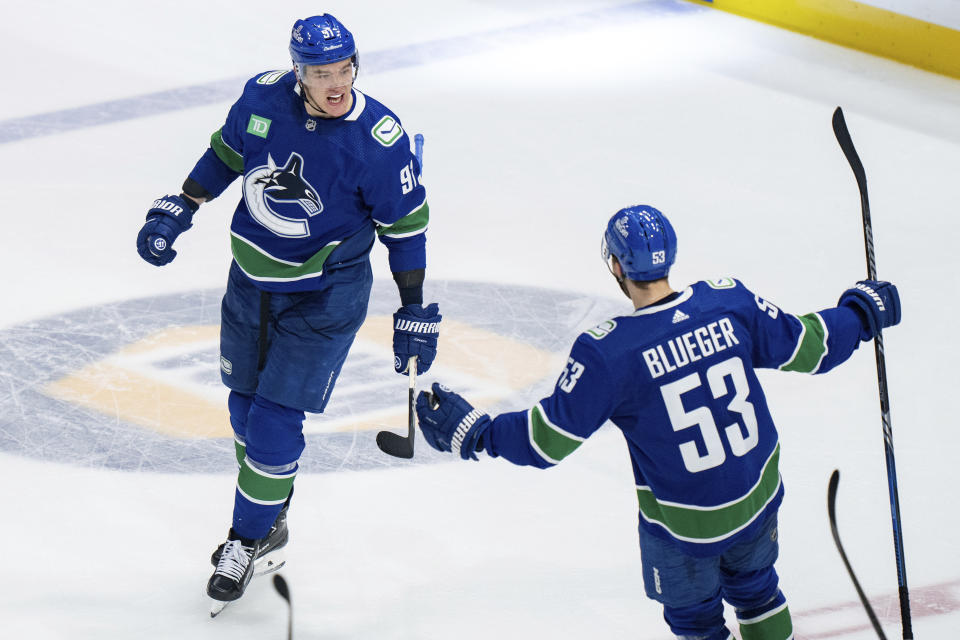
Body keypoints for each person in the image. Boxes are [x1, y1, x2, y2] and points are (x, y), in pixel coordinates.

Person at [415, 205, 901, 640]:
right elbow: (807, 345)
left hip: (687, 523)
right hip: (758, 495)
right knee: (757, 593)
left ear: (616, 266)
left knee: (698, 625)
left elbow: (547, 442)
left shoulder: (609, 352)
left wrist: (475, 433)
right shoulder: (727, 301)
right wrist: (859, 314)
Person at [135, 14, 442, 610]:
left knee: (275, 423)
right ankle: (269, 510)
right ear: (298, 72)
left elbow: (406, 228)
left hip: (326, 292)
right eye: (321, 72)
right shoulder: (262, 97)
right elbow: (227, 152)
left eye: (345, 69)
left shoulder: (377, 140)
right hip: (249, 283)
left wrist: (414, 310)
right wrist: (182, 206)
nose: (336, 83)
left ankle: (245, 538)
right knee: (244, 411)